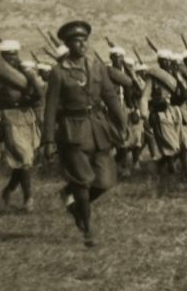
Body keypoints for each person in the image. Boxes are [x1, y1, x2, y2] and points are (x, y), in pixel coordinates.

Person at [41, 20, 127, 247]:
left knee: (105, 181)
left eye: (84, 40)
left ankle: (72, 199)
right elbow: (50, 107)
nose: (82, 45)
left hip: (99, 127)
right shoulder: (59, 72)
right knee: (83, 181)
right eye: (77, 41)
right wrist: (48, 140)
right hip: (73, 130)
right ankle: (87, 227)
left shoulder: (97, 66)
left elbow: (110, 96)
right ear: (68, 45)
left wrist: (122, 122)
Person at [0, 40, 45, 209]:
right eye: (8, 55)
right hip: (10, 118)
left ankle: (8, 190)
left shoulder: (25, 73)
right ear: (2, 57)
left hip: (27, 117)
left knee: (26, 160)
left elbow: (39, 94)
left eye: (14, 54)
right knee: (24, 157)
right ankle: (28, 198)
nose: (12, 58)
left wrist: (31, 77)